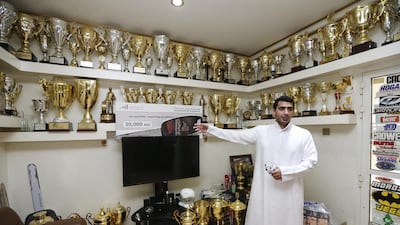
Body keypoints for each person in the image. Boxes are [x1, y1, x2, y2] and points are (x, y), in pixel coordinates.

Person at [194, 95, 318, 225]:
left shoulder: (303, 135)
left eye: (289, 109)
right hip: (265, 191)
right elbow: (236, 135)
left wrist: (285, 172)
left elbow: (311, 161)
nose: (286, 112)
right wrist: (211, 130)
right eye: (282, 108)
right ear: (274, 111)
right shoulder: (262, 132)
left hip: (290, 194)